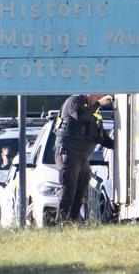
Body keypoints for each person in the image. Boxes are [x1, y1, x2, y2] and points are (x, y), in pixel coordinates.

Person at [54, 94, 114, 223]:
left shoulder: (95, 113)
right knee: (68, 189)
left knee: (81, 192)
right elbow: (79, 117)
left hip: (83, 157)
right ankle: (61, 223)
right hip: (69, 152)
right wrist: (98, 104)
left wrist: (121, 145)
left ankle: (73, 221)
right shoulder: (74, 101)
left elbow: (102, 138)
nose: (102, 97)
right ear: (89, 93)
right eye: (100, 95)